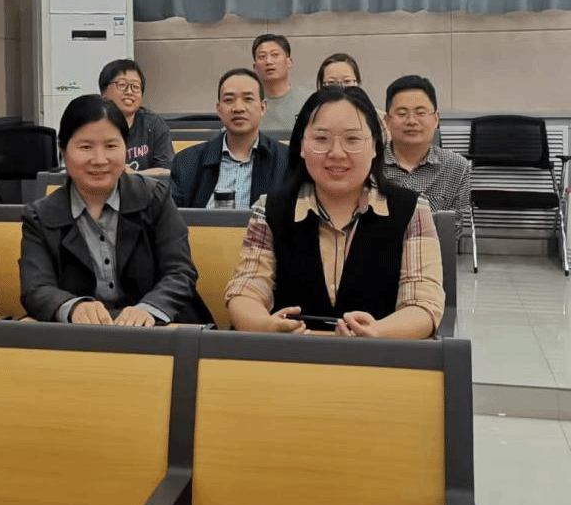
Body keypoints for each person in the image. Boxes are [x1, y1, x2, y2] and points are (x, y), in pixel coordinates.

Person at [224, 86, 444, 339]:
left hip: (382, 358)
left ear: (375, 146)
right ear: (302, 146)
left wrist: (377, 333)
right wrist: (266, 326)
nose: (337, 153)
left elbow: (423, 304)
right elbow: (246, 289)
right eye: (321, 139)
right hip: (288, 357)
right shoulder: (269, 209)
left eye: (352, 139)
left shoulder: (412, 209)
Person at [20, 95, 211, 326]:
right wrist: (72, 307)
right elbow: (36, 287)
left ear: (125, 148)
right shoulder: (40, 216)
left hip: (157, 330)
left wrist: (148, 309)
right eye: (86, 147)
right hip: (79, 334)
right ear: (63, 151)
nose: (99, 160)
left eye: (111, 146)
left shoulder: (154, 198)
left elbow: (180, 272)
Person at [169, 68, 290, 209]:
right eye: (229, 100)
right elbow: (173, 217)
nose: (238, 108)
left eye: (248, 99)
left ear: (263, 108)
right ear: (219, 110)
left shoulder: (287, 161)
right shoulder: (187, 162)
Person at [380, 75, 471, 241]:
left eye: (420, 113)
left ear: (436, 119)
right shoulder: (370, 162)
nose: (411, 121)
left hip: (433, 252)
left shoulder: (457, 167)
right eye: (402, 113)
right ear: (387, 121)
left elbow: (453, 231)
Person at [99, 59, 173, 175]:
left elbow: (167, 171)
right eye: (122, 85)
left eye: (136, 86)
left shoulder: (153, 124)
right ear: (104, 91)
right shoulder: (92, 123)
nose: (129, 92)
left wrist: (133, 176)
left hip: (145, 186)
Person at [252, 34, 309, 132]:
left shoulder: (309, 100)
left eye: (275, 55)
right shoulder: (249, 104)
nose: (269, 61)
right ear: (255, 67)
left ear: (289, 62)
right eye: (262, 56)